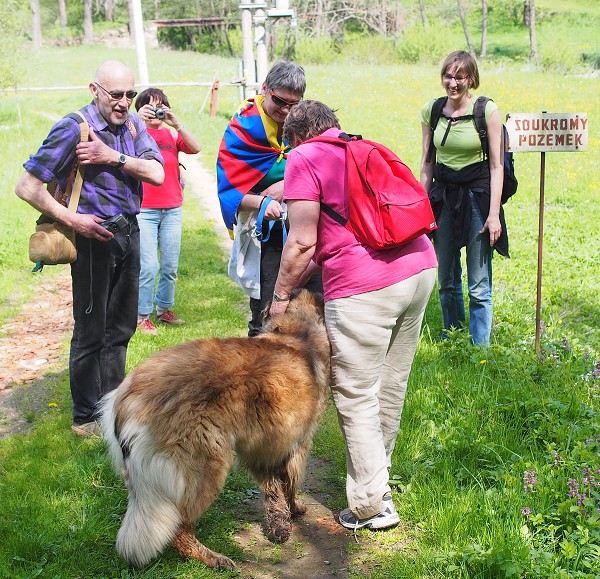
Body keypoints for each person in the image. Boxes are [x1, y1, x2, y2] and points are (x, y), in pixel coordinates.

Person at [269, 100, 437, 530]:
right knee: (391, 384)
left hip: (367, 285)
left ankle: (371, 504)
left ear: (297, 137)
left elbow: (303, 242)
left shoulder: (304, 157)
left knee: (357, 392)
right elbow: (325, 245)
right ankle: (379, 479)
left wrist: (281, 293)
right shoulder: (361, 147)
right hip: (419, 267)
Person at [15, 60, 164, 437]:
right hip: (92, 238)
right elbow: (27, 187)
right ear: (94, 89)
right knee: (91, 331)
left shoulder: (132, 124)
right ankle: (85, 417)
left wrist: (113, 157)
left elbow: (158, 173)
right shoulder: (73, 128)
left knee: (121, 328)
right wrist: (72, 219)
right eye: (116, 94)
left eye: (130, 94)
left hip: (130, 232)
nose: (124, 102)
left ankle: (110, 409)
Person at [216, 60, 322, 336]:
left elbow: (324, 167)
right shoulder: (243, 126)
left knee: (317, 301)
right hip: (268, 234)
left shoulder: (306, 123)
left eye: (293, 104)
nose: (286, 111)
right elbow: (230, 191)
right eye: (279, 101)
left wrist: (287, 185)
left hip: (309, 227)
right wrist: (263, 202)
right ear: (265, 89)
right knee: (267, 308)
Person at [420, 50, 508, 347]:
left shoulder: (487, 111)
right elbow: (427, 164)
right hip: (444, 196)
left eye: (460, 77)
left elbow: (496, 166)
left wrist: (493, 215)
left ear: (471, 79)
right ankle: (453, 339)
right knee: (446, 279)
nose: (453, 83)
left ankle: (479, 348)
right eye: (448, 76)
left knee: (479, 284)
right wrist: (421, 207)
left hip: (477, 198)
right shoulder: (431, 111)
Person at [133, 88, 201, 335]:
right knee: (149, 266)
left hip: (172, 208)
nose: (156, 112)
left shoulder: (171, 135)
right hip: (145, 210)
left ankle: (164, 309)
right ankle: (142, 315)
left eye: (160, 106)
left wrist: (177, 123)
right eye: (150, 107)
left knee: (170, 266)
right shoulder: (133, 134)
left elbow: (196, 147)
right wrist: (138, 122)